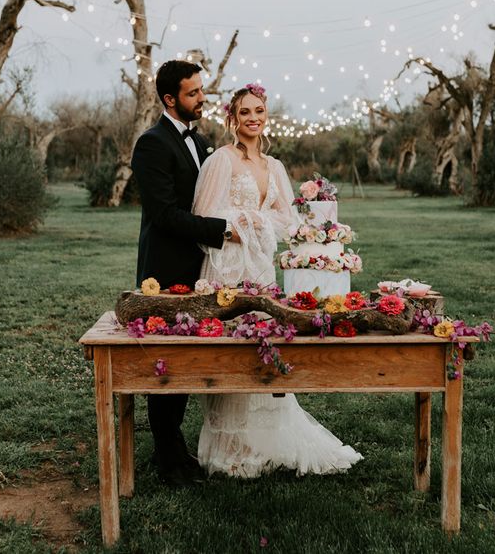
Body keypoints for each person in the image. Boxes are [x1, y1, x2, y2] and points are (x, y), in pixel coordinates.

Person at [192, 84, 363, 477]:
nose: (253, 118)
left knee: (263, 347)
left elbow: (287, 221)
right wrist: (242, 222)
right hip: (228, 267)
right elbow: (203, 217)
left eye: (259, 112)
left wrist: (274, 225)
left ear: (266, 116)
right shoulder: (220, 160)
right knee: (231, 348)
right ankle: (229, 446)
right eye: (245, 112)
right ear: (231, 118)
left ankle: (264, 442)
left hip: (262, 267)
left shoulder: (276, 167)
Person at [131, 60, 242, 487]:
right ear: (169, 99)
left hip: (199, 267)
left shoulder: (203, 142)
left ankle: (176, 448)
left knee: (189, 358)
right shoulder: (152, 144)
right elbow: (163, 214)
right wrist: (222, 231)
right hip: (166, 267)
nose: (202, 98)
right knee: (167, 361)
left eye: (202, 90)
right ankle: (166, 457)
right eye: (193, 93)